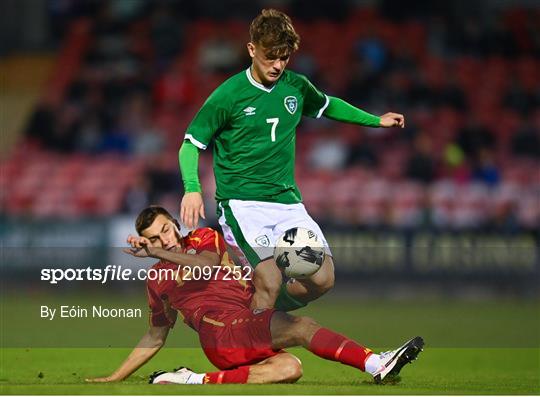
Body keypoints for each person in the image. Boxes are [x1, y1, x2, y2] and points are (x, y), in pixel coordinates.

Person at [179, 9, 405, 311]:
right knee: (269, 280)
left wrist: (376, 121)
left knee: (323, 279)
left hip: (287, 203)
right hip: (243, 205)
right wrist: (192, 188)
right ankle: (252, 346)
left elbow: (328, 105)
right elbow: (190, 145)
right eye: (270, 56)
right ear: (251, 49)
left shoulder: (295, 86)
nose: (277, 65)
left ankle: (261, 316)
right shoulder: (228, 95)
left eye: (284, 57)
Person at [86, 206, 423, 385]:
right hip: (220, 329)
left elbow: (203, 264)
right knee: (301, 327)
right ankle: (376, 363)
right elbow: (155, 335)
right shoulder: (158, 279)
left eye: (165, 230)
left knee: (289, 368)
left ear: (175, 223)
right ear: (146, 242)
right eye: (154, 239)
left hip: (242, 323)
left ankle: (193, 379)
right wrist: (115, 377)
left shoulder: (204, 238)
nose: (164, 240)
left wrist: (158, 254)